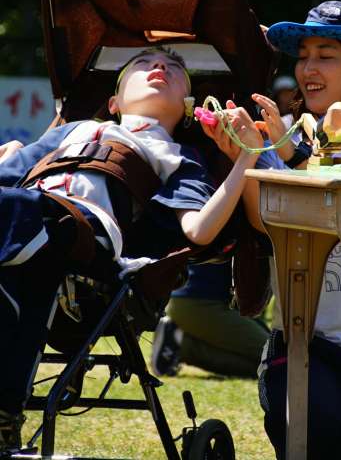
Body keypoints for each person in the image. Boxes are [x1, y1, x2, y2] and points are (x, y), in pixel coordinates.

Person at [0, 46, 263, 453]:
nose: (158, 67)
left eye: (173, 68)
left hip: (86, 236)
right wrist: (11, 153)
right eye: (143, 64)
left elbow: (199, 230)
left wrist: (246, 159)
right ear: (113, 102)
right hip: (27, 227)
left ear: (189, 107)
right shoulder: (71, 131)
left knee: (24, 212)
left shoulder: (178, 156)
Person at [202, 2, 341, 460]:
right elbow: (267, 224)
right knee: (312, 428)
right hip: (301, 341)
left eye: (325, 55)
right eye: (303, 56)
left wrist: (290, 159)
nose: (308, 68)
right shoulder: (286, 133)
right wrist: (249, 155)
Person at [151, 260, 269, 378]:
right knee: (275, 358)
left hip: (190, 301)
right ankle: (181, 345)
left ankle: (182, 345)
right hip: (199, 304)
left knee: (268, 366)